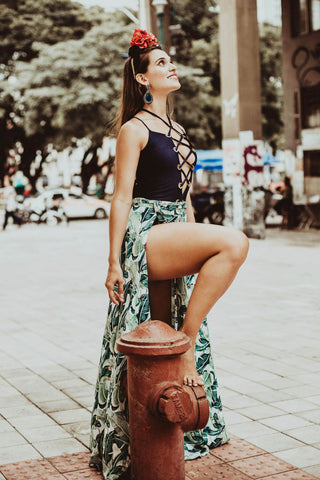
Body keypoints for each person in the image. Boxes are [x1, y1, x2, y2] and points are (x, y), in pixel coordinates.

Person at [90, 29, 249, 479]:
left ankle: (164, 420)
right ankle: (189, 341)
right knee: (234, 242)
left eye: (169, 60)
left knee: (153, 334)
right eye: (160, 63)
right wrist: (113, 261)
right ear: (142, 79)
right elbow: (121, 198)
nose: (170, 66)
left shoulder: (177, 129)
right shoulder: (133, 129)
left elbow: (186, 199)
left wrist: (193, 241)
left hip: (175, 227)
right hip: (145, 233)